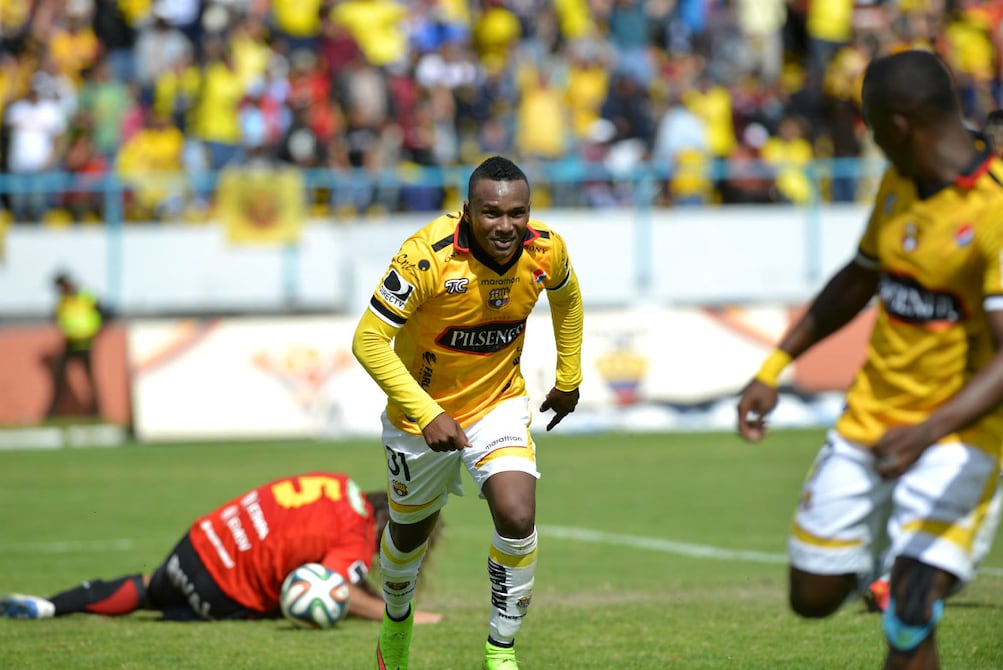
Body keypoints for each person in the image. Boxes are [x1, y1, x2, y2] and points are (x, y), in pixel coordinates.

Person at [736, 49, 1003, 670]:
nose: (872, 140)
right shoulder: (901, 182)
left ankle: (914, 578)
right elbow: (858, 279)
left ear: (900, 125)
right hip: (870, 422)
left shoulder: (993, 210)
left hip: (958, 436)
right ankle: (898, 559)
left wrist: (928, 432)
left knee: (910, 603)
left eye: (874, 127)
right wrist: (773, 368)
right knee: (812, 596)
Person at [352, 155, 583, 670]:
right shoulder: (425, 256)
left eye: (517, 213)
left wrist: (568, 377)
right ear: (467, 211)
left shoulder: (546, 248)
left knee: (517, 514)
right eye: (491, 213)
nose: (505, 226)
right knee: (407, 541)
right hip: (419, 418)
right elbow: (368, 340)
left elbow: (567, 298)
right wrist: (426, 412)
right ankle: (395, 624)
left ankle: (500, 651)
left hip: (497, 403)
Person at [862, 107, 1003, 614]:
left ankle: (908, 574)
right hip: (972, 367)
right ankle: (898, 575)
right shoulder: (973, 198)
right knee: (939, 467)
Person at [1, 471, 442, 625]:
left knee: (152, 586)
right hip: (220, 588)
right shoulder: (356, 539)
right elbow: (340, 593)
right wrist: (402, 616)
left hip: (198, 542)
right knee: (284, 601)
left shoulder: (338, 483)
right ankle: (181, 612)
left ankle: (49, 606)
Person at [46, 272, 110, 419]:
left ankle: (97, 412)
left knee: (90, 380)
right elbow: (57, 318)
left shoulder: (87, 296)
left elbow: (104, 314)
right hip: (70, 343)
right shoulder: (62, 301)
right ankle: (52, 413)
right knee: (59, 379)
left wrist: (95, 331)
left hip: (86, 343)